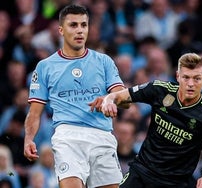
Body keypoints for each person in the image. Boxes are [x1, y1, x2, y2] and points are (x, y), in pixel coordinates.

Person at [90, 53, 202, 188]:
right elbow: (120, 96)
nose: (191, 84)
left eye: (197, 78)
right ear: (178, 76)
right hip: (141, 172)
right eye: (186, 77)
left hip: (174, 183)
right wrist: (109, 100)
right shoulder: (159, 89)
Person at [24, 4, 128, 188]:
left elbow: (123, 97)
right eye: (73, 25)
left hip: (102, 135)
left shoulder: (104, 61)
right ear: (61, 30)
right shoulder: (45, 67)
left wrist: (110, 99)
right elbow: (34, 112)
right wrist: (29, 138)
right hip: (68, 136)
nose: (80, 30)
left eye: (83, 25)